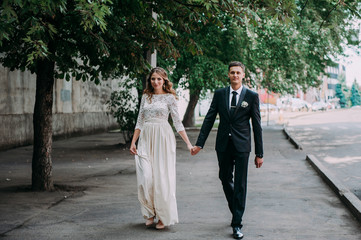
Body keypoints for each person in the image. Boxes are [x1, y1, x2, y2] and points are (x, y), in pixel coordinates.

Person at [191, 61, 263, 239]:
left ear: (243, 75)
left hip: (242, 146)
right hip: (223, 145)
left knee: (240, 183)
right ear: (228, 75)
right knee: (224, 178)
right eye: (232, 73)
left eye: (238, 73)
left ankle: (237, 223)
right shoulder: (220, 94)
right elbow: (209, 119)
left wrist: (259, 153)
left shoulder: (252, 96)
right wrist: (199, 143)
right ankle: (236, 209)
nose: (235, 76)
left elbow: (257, 125)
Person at [130, 67, 193, 230]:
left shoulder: (170, 98)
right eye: (153, 79)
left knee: (162, 178)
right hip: (146, 138)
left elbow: (178, 122)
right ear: (149, 81)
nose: (156, 81)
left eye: (159, 79)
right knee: (146, 176)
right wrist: (133, 142)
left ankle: (163, 217)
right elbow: (139, 121)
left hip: (163, 138)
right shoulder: (146, 96)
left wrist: (188, 143)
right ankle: (150, 212)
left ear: (164, 80)